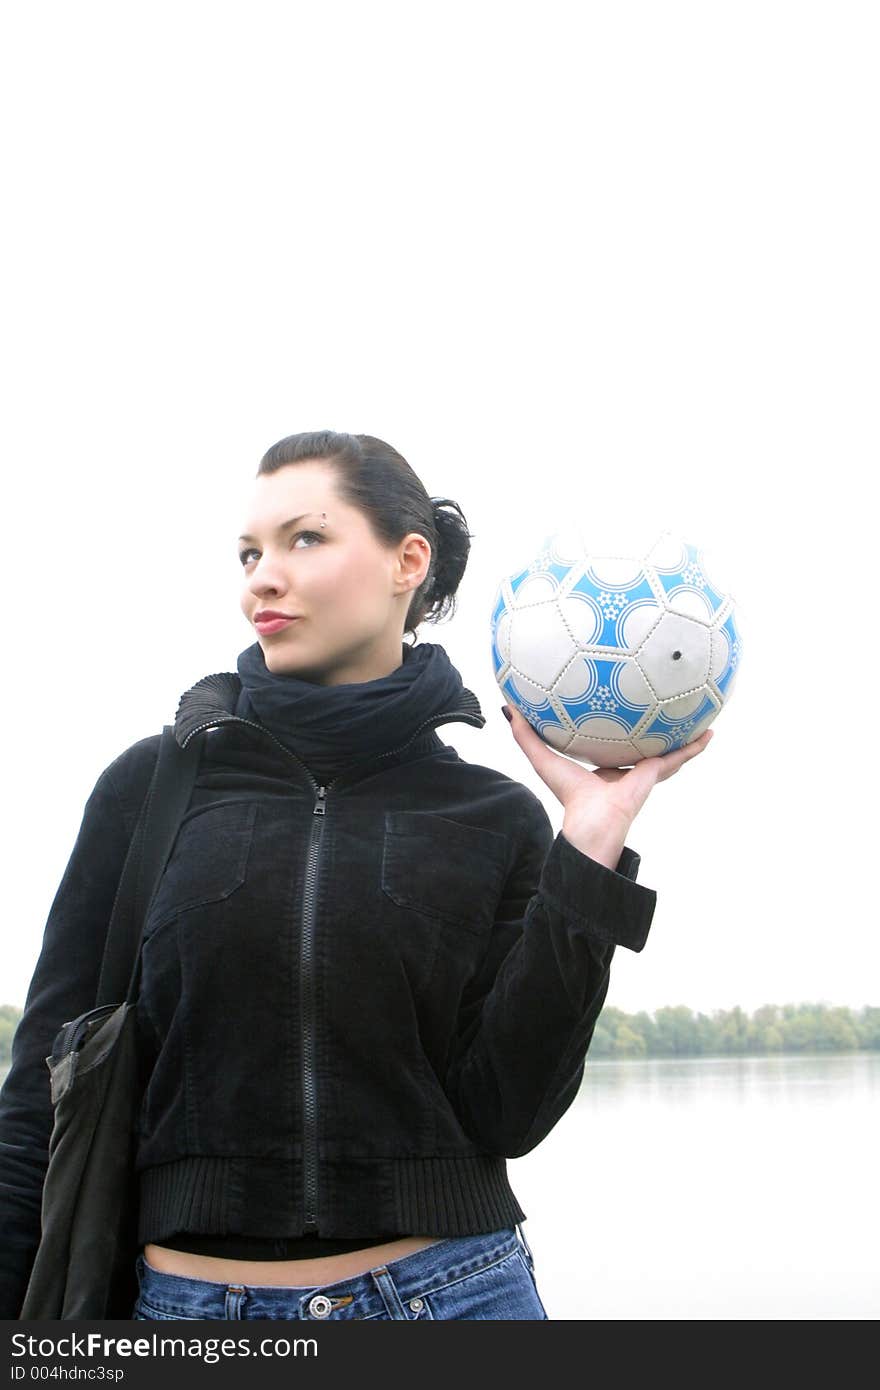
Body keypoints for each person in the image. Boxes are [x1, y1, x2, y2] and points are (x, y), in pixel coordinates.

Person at [0, 430, 712, 1321]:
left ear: (407, 561)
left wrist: (591, 850)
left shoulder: (493, 819)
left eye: (305, 539)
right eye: (250, 553)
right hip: (189, 1313)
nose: (263, 575)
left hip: (454, 1300)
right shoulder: (148, 790)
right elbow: (40, 1096)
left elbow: (512, 1112)